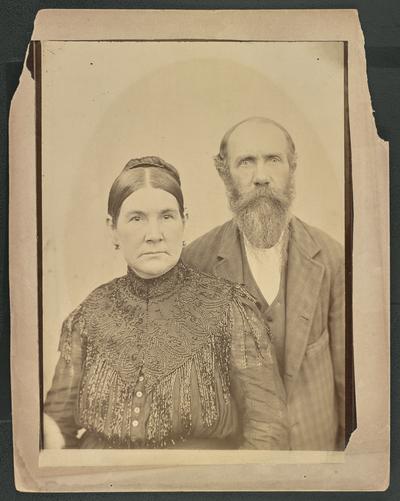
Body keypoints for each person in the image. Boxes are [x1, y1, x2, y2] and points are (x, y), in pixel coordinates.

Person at [44, 156, 289, 450]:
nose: (154, 235)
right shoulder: (90, 315)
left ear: (184, 221)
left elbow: (268, 428)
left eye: (167, 216)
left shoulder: (229, 309)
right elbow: (56, 425)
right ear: (113, 228)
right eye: (136, 218)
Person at [183, 117, 346, 451]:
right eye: (246, 162)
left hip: (315, 460)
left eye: (273, 160)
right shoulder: (195, 262)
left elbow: (349, 382)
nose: (261, 177)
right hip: (242, 467)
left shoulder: (330, 257)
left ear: (292, 166)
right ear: (223, 172)